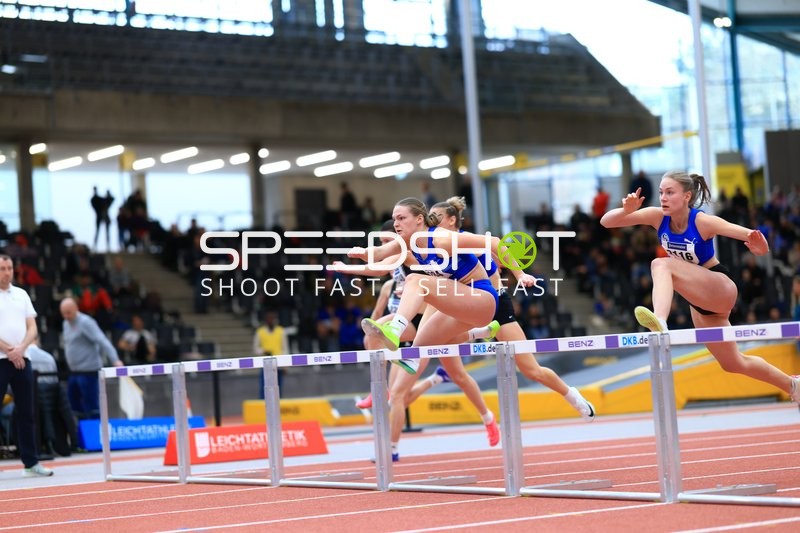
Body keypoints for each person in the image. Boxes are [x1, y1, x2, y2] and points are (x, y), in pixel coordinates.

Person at [600, 170, 799, 403]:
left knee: (661, 264)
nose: (663, 197)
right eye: (661, 192)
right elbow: (606, 222)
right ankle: (793, 385)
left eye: (670, 192)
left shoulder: (701, 221)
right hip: (700, 302)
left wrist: (760, 246)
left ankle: (660, 323)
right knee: (733, 363)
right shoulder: (657, 217)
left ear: (687, 196)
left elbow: (745, 233)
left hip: (718, 285)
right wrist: (627, 210)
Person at [347, 198, 505, 461]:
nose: (396, 224)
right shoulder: (408, 245)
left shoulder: (441, 239)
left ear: (419, 219)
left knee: (415, 281)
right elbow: (378, 257)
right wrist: (358, 258)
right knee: (420, 349)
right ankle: (480, 333)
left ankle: (395, 330)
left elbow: (495, 243)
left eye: (401, 219)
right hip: (459, 306)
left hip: (481, 299)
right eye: (394, 219)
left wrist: (520, 273)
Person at [430, 197, 595, 421]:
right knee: (440, 339)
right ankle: (480, 334)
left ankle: (573, 396)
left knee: (531, 370)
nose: (431, 221)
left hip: (495, 304)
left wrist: (519, 273)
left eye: (436, 217)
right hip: (467, 306)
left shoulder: (466, 239)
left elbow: (500, 249)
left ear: (451, 220)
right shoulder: (436, 247)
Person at [0, 254, 53, 476]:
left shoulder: (21, 294)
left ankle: (31, 463)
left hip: (23, 359)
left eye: (9, 267)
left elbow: (32, 327)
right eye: (2, 268)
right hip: (1, 360)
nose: (7, 272)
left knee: (27, 412)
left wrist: (20, 348)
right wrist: (10, 351)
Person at [60, 297, 124, 419]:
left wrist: (115, 359)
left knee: (92, 406)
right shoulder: (65, 324)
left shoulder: (86, 322)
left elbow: (102, 340)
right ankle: (80, 433)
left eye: (69, 312)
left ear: (76, 309)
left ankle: (96, 433)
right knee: (74, 405)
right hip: (74, 371)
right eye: (64, 314)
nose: (66, 316)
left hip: (89, 371)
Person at [26, 339, 83, 456]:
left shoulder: (20, 358)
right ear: (37, 341)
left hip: (29, 402)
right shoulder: (48, 358)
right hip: (51, 402)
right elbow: (54, 382)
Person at [253, 310, 288, 397]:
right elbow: (255, 348)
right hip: (265, 364)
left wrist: (285, 365)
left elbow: (285, 348)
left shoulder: (281, 331)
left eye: (272, 318)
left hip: (278, 364)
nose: (271, 320)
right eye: (269, 319)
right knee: (264, 387)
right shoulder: (260, 332)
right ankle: (262, 407)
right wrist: (263, 351)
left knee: (278, 388)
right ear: (265, 320)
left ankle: (279, 407)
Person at [91, 186, 114, 251]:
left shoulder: (103, 200)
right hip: (100, 217)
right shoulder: (96, 200)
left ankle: (108, 246)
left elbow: (112, 198)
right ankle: (95, 245)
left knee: (106, 232)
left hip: (105, 217)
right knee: (98, 232)